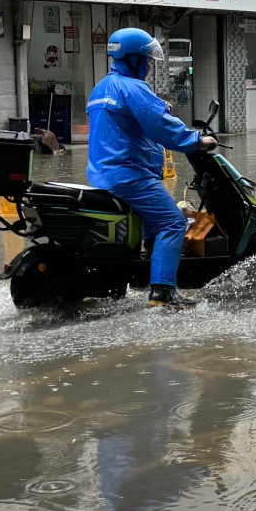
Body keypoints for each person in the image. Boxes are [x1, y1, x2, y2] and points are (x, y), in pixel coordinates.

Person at [88, 28, 216, 309]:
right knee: (173, 222)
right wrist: (197, 140)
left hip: (104, 173)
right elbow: (162, 127)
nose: (148, 66)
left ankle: (148, 261)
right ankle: (163, 293)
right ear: (133, 59)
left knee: (151, 223)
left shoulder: (102, 88)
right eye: (146, 60)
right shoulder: (133, 88)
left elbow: (140, 118)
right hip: (130, 175)